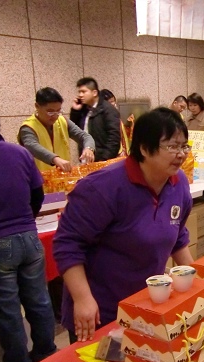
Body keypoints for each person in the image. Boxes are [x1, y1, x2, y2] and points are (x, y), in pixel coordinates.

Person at [53, 107, 195, 343]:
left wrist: (196, 282)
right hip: (100, 310)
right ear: (143, 148)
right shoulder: (103, 187)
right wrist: (83, 299)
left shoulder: (178, 183)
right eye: (171, 146)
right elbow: (67, 245)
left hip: (146, 303)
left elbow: (178, 236)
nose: (180, 154)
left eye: (184, 146)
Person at [0, 104, 57, 362]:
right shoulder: (20, 153)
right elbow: (37, 194)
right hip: (30, 237)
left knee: (8, 311)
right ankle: (46, 354)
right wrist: (26, 219)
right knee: (39, 301)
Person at [18, 87, 95, 172]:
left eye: (58, 111)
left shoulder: (62, 121)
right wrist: (55, 159)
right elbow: (32, 146)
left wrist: (88, 148)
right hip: (39, 181)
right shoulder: (28, 127)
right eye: (50, 112)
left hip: (63, 178)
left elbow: (84, 136)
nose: (55, 116)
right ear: (37, 106)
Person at [70, 77, 121, 161]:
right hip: (85, 159)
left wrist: (103, 160)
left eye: (83, 91)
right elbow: (73, 130)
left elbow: (114, 139)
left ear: (94, 93)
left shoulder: (108, 110)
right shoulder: (84, 109)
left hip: (101, 160)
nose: (80, 95)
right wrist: (75, 111)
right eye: (79, 92)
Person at [100, 89, 132, 155]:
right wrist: (119, 151)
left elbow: (121, 132)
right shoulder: (103, 119)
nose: (114, 104)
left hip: (124, 152)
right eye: (110, 102)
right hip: (114, 155)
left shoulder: (114, 115)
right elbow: (111, 136)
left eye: (114, 101)